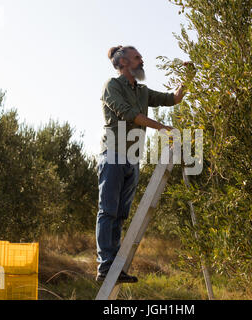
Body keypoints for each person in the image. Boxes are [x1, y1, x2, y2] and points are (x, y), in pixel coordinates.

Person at [95, 45, 192, 283]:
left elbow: (174, 99)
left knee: (120, 214)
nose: (141, 60)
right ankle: (105, 267)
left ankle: (115, 268)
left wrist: (188, 79)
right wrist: (162, 127)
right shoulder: (112, 86)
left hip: (132, 157)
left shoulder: (142, 91)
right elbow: (128, 114)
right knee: (108, 211)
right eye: (137, 57)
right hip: (114, 154)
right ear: (123, 63)